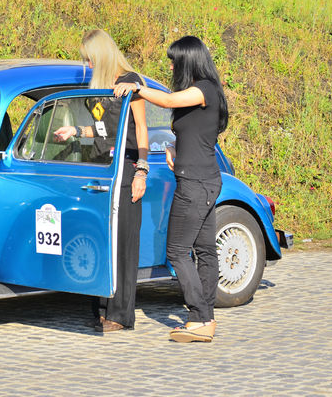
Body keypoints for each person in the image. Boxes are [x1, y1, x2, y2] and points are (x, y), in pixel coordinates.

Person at [114, 35, 228, 343]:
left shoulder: (204, 89)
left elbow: (166, 101)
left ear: (189, 59)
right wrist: (176, 147)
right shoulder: (202, 93)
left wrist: (137, 87)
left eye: (174, 60)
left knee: (177, 252)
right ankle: (204, 317)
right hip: (201, 178)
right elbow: (198, 133)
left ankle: (201, 316)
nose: (171, 65)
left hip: (195, 183)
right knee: (204, 250)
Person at [54, 29, 149, 332]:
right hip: (103, 170)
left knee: (124, 243)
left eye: (91, 59)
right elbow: (102, 130)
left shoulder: (130, 82)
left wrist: (142, 172)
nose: (88, 65)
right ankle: (102, 308)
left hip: (127, 168)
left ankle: (121, 314)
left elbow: (142, 130)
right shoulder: (103, 88)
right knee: (103, 240)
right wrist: (76, 132)